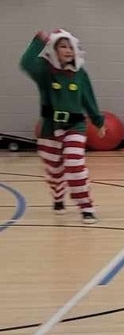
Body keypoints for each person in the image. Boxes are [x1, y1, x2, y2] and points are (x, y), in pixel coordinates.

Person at [19, 29, 106, 223]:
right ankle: (58, 197)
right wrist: (38, 42)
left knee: (75, 165)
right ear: (54, 50)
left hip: (75, 125)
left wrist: (98, 122)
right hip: (49, 128)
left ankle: (86, 207)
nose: (67, 50)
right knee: (55, 171)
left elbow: (88, 99)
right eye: (62, 47)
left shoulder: (80, 73)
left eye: (69, 46)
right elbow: (25, 63)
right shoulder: (44, 70)